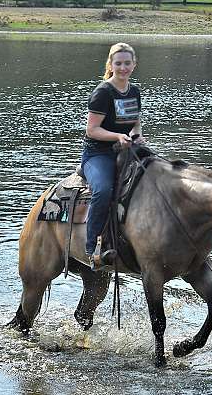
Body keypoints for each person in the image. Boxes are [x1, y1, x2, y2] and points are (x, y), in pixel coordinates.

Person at [81, 42, 144, 270]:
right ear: (111, 65)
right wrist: (118, 136)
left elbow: (135, 123)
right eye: (119, 63)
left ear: (134, 65)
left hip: (126, 149)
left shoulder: (134, 91)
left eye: (127, 63)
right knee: (103, 190)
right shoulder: (102, 93)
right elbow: (92, 130)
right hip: (98, 153)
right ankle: (92, 248)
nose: (123, 67)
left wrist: (137, 136)